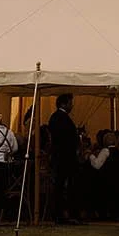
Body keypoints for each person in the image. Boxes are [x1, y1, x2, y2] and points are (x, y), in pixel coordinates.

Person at [47, 93, 83, 225]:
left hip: (63, 157)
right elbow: (64, 139)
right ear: (64, 104)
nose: (72, 106)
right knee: (62, 186)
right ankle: (62, 214)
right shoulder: (60, 118)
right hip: (64, 158)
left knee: (61, 186)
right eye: (70, 103)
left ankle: (62, 214)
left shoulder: (58, 118)